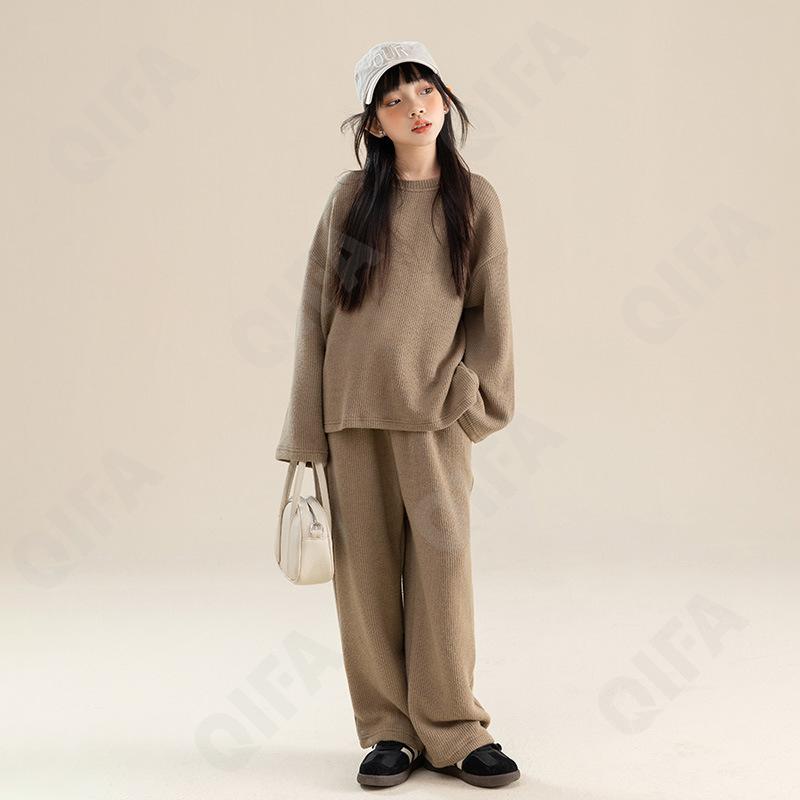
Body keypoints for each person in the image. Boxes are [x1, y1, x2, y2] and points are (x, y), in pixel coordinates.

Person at [275, 40, 519, 789]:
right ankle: (388, 730)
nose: (416, 108)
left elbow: (492, 313)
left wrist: (476, 403)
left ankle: (455, 728)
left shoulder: (474, 200)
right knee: (367, 581)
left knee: (444, 565)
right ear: (373, 123)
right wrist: (306, 432)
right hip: (351, 414)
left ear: (444, 99)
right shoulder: (351, 199)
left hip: (434, 414)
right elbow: (316, 313)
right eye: (394, 99)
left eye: (425, 91)